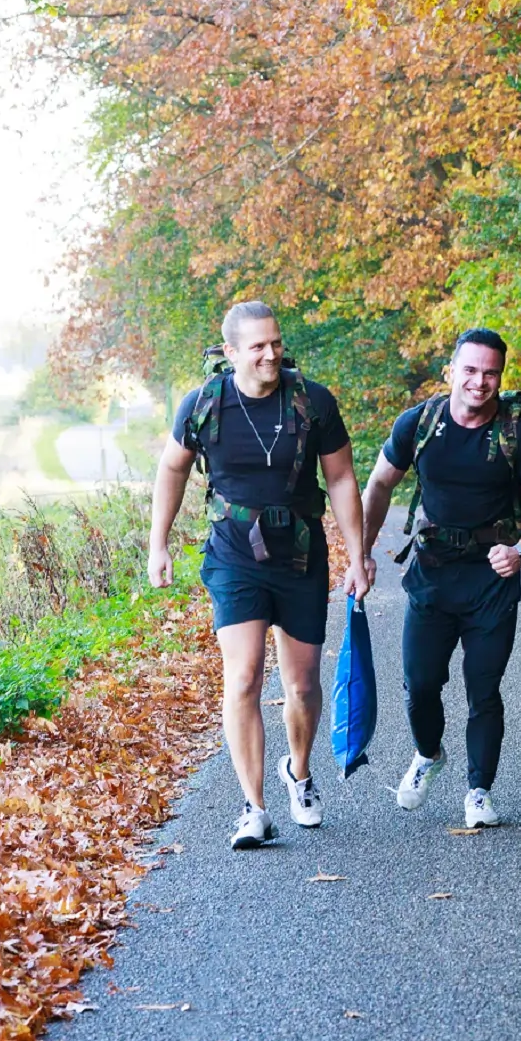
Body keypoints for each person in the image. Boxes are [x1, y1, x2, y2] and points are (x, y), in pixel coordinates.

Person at [147, 301, 369, 850]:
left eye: (275, 343)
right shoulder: (203, 405)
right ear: (231, 353)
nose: (271, 354)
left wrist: (357, 553)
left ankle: (298, 772)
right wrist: (159, 544)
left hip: (299, 554)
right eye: (258, 346)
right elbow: (172, 469)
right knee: (243, 678)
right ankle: (254, 807)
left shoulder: (312, 402)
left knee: (301, 684)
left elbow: (340, 479)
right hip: (233, 554)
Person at [355, 328, 521, 829]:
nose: (479, 382)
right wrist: (358, 553)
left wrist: (520, 550)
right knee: (420, 684)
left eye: (490, 372)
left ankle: (479, 791)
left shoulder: (520, 433)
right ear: (451, 371)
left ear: (500, 376)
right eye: (470, 370)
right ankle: (429, 753)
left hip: (491, 581)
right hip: (431, 575)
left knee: (483, 689)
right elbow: (380, 483)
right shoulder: (420, 423)